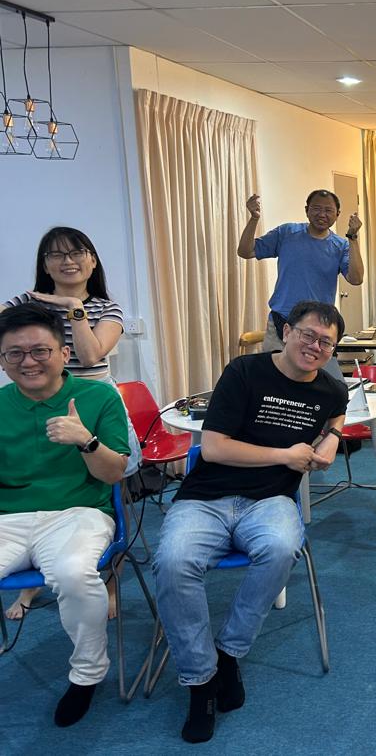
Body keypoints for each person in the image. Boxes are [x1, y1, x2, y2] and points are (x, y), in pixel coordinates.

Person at [152, 301, 348, 743]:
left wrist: (332, 437)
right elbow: (216, 448)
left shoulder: (332, 390)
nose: (315, 347)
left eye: (326, 342)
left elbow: (338, 411)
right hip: (207, 496)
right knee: (173, 561)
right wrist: (286, 455)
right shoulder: (244, 372)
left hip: (270, 500)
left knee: (281, 549)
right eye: (307, 334)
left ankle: (228, 653)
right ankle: (199, 680)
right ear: (285, 330)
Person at [0, 302, 130, 727]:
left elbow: (114, 473)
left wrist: (86, 441)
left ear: (61, 352)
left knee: (75, 574)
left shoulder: (98, 396)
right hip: (9, 519)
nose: (28, 362)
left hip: (80, 512)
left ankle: (87, 674)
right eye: (14, 354)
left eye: (39, 351)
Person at [3, 226, 141, 621]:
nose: (67, 261)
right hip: (36, 399)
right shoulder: (26, 303)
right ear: (44, 264)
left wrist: (69, 305)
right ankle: (31, 583)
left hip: (92, 402)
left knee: (111, 482)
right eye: (56, 255)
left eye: (77, 252)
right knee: (37, 485)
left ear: (92, 260)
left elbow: (91, 353)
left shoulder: (105, 308)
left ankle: (109, 579)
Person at [237, 190, 363, 382]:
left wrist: (352, 238)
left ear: (337, 214)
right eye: (316, 209)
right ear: (306, 210)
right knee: (272, 381)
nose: (322, 214)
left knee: (333, 384)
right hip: (282, 321)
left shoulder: (340, 245)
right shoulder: (287, 233)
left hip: (319, 327)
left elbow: (356, 278)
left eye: (328, 210)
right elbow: (246, 251)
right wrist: (254, 219)